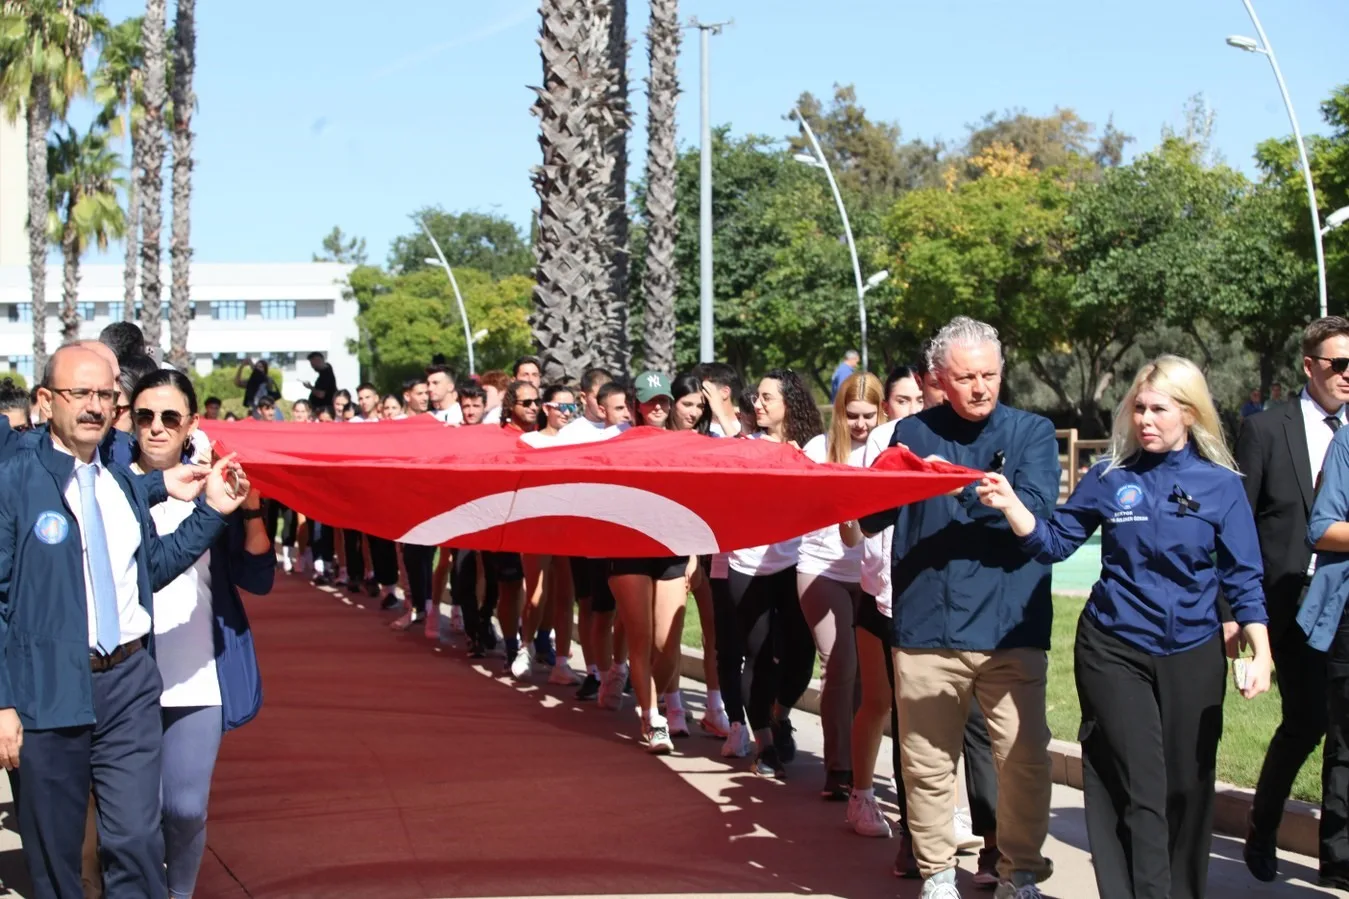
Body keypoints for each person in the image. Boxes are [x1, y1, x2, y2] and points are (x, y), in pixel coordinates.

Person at [979, 354, 1272, 899]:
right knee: (1140, 782)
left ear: (1189, 413)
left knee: (1186, 785)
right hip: (1113, 646)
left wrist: (1261, 653)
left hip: (1192, 647)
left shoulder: (1220, 485)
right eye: (1138, 407)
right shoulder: (1110, 478)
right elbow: (1055, 542)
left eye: (1159, 408)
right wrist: (1012, 505)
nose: (1145, 419)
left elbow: (1243, 576)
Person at [0, 345, 248, 899]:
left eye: (105, 396)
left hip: (131, 683)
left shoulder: (118, 485)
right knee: (56, 856)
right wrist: (2, 703)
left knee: (136, 841)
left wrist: (213, 512)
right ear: (45, 402)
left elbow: (152, 569)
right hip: (49, 690)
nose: (94, 406)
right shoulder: (13, 482)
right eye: (78, 393)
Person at [858, 316, 1059, 899]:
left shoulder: (1033, 432)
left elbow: (1039, 512)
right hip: (926, 629)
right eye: (965, 376)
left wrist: (966, 491)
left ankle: (1020, 873)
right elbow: (870, 517)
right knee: (925, 765)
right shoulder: (909, 436)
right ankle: (938, 874)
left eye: (990, 375)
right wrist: (872, 485)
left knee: (1024, 764)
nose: (980, 387)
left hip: (1012, 628)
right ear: (938, 378)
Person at [130, 369, 275, 899]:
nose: (157, 428)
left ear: (191, 422)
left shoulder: (217, 482)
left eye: (170, 417)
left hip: (199, 677)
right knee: (135, 814)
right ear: (130, 421)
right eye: (145, 416)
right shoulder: (112, 487)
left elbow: (257, 578)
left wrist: (250, 507)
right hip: (125, 679)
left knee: (185, 808)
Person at [1239, 315, 1349, 883]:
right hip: (1286, 597)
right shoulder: (1265, 430)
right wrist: (1234, 611)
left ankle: (1338, 857)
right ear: (1310, 366)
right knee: (1306, 721)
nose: (1348, 376)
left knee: (1341, 726)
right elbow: (1237, 524)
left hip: (1343, 598)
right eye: (1339, 365)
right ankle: (1262, 823)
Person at [729, 369, 822, 778]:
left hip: (797, 562)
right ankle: (764, 742)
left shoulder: (813, 449)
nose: (759, 404)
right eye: (757, 397)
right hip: (746, 566)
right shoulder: (741, 448)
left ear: (791, 403)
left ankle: (780, 712)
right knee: (760, 655)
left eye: (768, 397)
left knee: (803, 653)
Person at [798, 371, 885, 798]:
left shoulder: (886, 449)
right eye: (852, 415)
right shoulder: (820, 449)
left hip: (869, 576)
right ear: (838, 413)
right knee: (841, 663)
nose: (861, 424)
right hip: (820, 570)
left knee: (868, 681)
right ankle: (839, 769)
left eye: (869, 415)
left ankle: (858, 767)